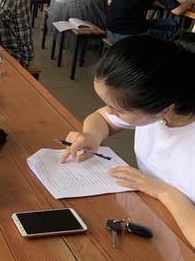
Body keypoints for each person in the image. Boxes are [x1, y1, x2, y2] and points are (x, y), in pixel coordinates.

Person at [60, 36, 195, 248]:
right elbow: (102, 118)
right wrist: (92, 135)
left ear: (164, 109)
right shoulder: (161, 107)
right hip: (151, 217)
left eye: (117, 110)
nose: (110, 111)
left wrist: (163, 192)